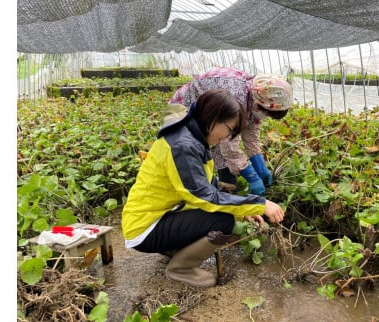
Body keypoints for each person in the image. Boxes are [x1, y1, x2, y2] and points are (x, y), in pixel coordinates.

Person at [121, 89, 286, 288]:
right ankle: (181, 268)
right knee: (223, 220)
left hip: (159, 216)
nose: (228, 137)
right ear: (214, 118)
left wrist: (245, 212)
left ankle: (175, 251)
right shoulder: (183, 146)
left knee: (223, 213)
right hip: (145, 228)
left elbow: (208, 186)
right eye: (229, 129)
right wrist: (259, 204)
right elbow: (205, 197)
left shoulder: (193, 137)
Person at [169, 67, 293, 196]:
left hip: (211, 114)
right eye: (266, 113)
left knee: (219, 143)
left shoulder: (257, 95)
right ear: (260, 105)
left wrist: (260, 166)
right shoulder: (236, 96)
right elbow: (229, 145)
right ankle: (199, 192)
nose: (264, 117)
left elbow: (251, 135)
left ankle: (226, 190)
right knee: (195, 151)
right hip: (186, 109)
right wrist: (251, 176)